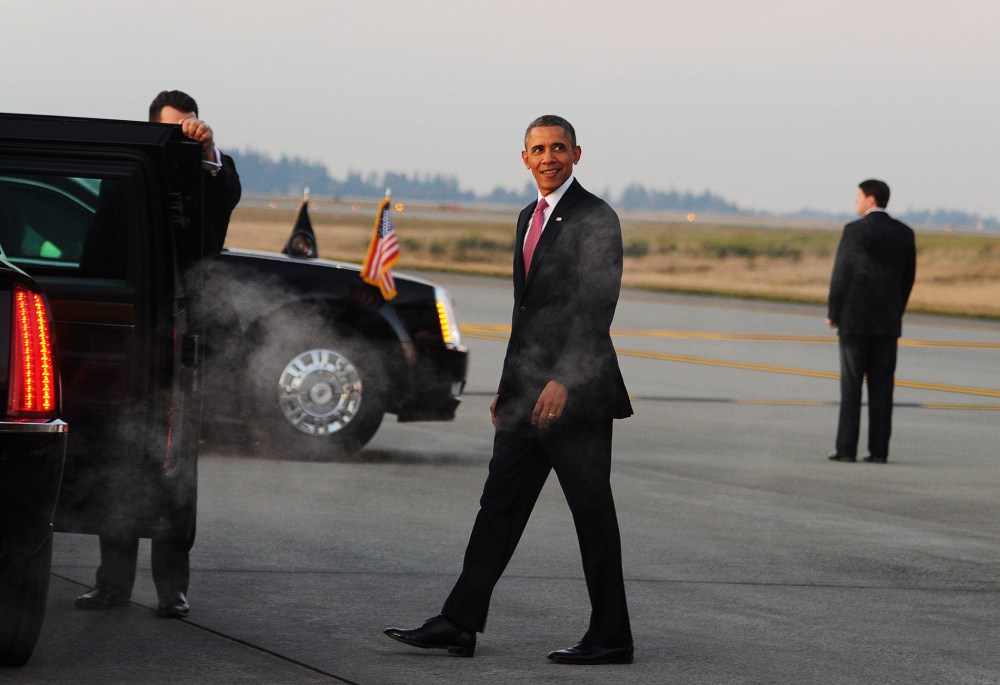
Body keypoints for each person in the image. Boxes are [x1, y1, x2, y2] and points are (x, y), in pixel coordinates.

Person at [384, 115, 634, 665]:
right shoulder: (528, 216)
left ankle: (612, 636)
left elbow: (597, 309)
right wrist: (508, 386)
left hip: (576, 395)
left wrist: (563, 381)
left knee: (592, 515)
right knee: (497, 506)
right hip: (525, 394)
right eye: (539, 149)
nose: (549, 157)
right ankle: (459, 622)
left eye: (559, 148)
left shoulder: (596, 217)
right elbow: (527, 317)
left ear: (577, 154)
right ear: (524, 158)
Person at [74, 90, 241, 618]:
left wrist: (207, 150)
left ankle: (173, 589)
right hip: (134, 340)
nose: (179, 138)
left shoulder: (207, 173)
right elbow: (97, 254)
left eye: (186, 127)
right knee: (120, 459)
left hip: (187, 341)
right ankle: (112, 584)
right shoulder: (126, 177)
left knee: (177, 469)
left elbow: (226, 195)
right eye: (169, 130)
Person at [827, 179, 916, 464]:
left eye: (858, 196)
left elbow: (842, 274)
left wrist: (834, 311)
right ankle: (878, 451)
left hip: (854, 321)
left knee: (851, 389)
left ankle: (846, 449)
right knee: (882, 388)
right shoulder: (904, 233)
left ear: (870, 199)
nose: (856, 201)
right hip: (887, 323)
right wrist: (896, 309)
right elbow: (908, 278)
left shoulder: (854, 231)